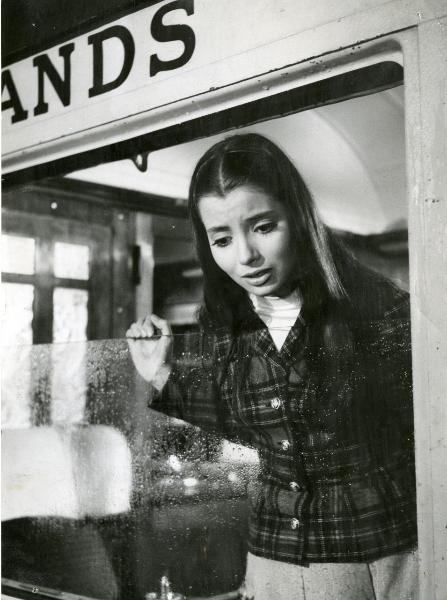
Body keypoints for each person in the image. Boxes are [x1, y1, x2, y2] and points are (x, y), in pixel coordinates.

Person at [127, 133, 417, 599]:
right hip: (271, 556)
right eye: (222, 238)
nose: (245, 257)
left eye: (263, 226)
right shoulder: (225, 324)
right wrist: (160, 374)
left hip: (376, 555)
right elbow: (261, 425)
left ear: (298, 219)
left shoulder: (381, 310)